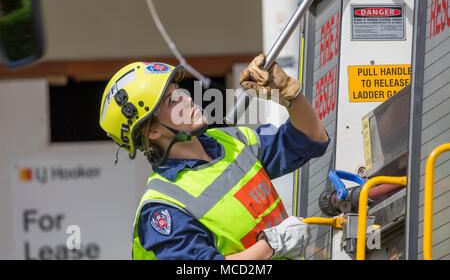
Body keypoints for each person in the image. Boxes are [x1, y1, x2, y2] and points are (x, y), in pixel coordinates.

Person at [99, 54, 330, 260]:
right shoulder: (163, 208)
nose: (187, 100)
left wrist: (290, 94)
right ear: (153, 132)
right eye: (172, 102)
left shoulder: (230, 141)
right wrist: (271, 246)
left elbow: (312, 139)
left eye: (179, 91)